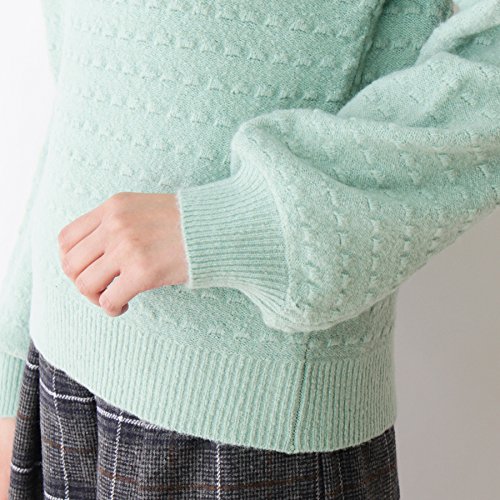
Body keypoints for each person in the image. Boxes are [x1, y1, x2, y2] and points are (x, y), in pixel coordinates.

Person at [1, 0, 498, 497]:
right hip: (57, 374)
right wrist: (11, 366)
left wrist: (236, 221)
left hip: (239, 416)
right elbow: (81, 92)